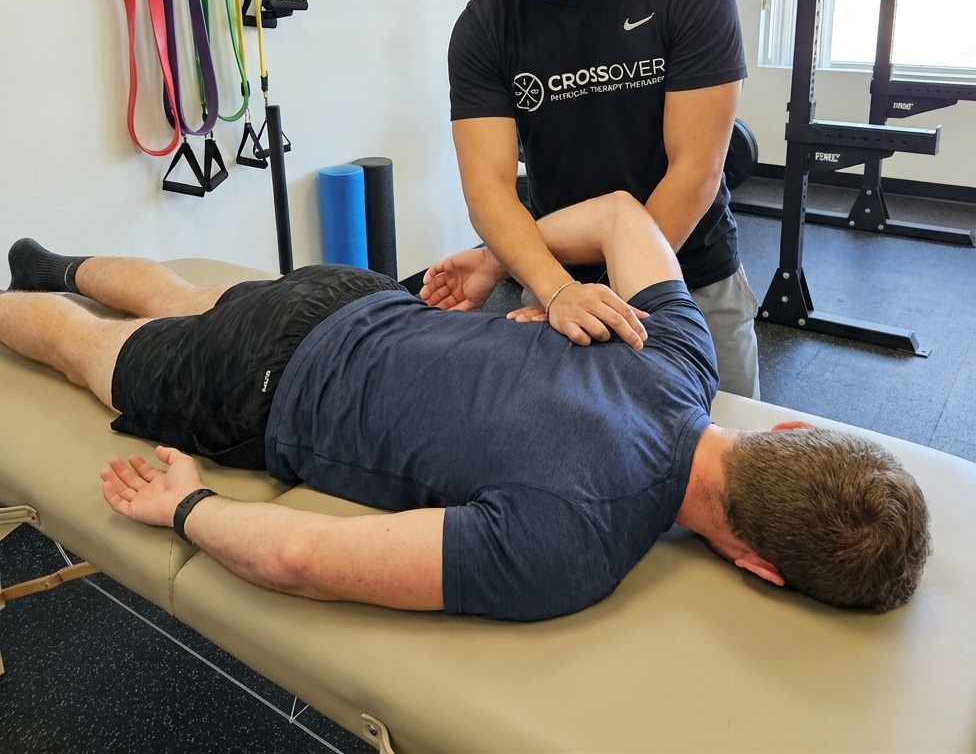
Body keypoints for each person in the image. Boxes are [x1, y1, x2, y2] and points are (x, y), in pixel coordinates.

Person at [0, 194, 929, 621]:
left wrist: (503, 261)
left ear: (793, 430)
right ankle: (34, 295)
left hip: (354, 297)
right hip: (265, 392)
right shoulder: (572, 550)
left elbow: (618, 216)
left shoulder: (680, 356)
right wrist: (188, 508)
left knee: (188, 297)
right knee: (86, 350)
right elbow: (295, 555)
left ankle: (52, 264)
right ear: (761, 566)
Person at [423, 0, 760, 398]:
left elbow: (696, 169)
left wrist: (608, 291)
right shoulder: (484, 28)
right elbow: (489, 190)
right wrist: (557, 291)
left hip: (690, 277)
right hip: (558, 287)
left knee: (733, 478)